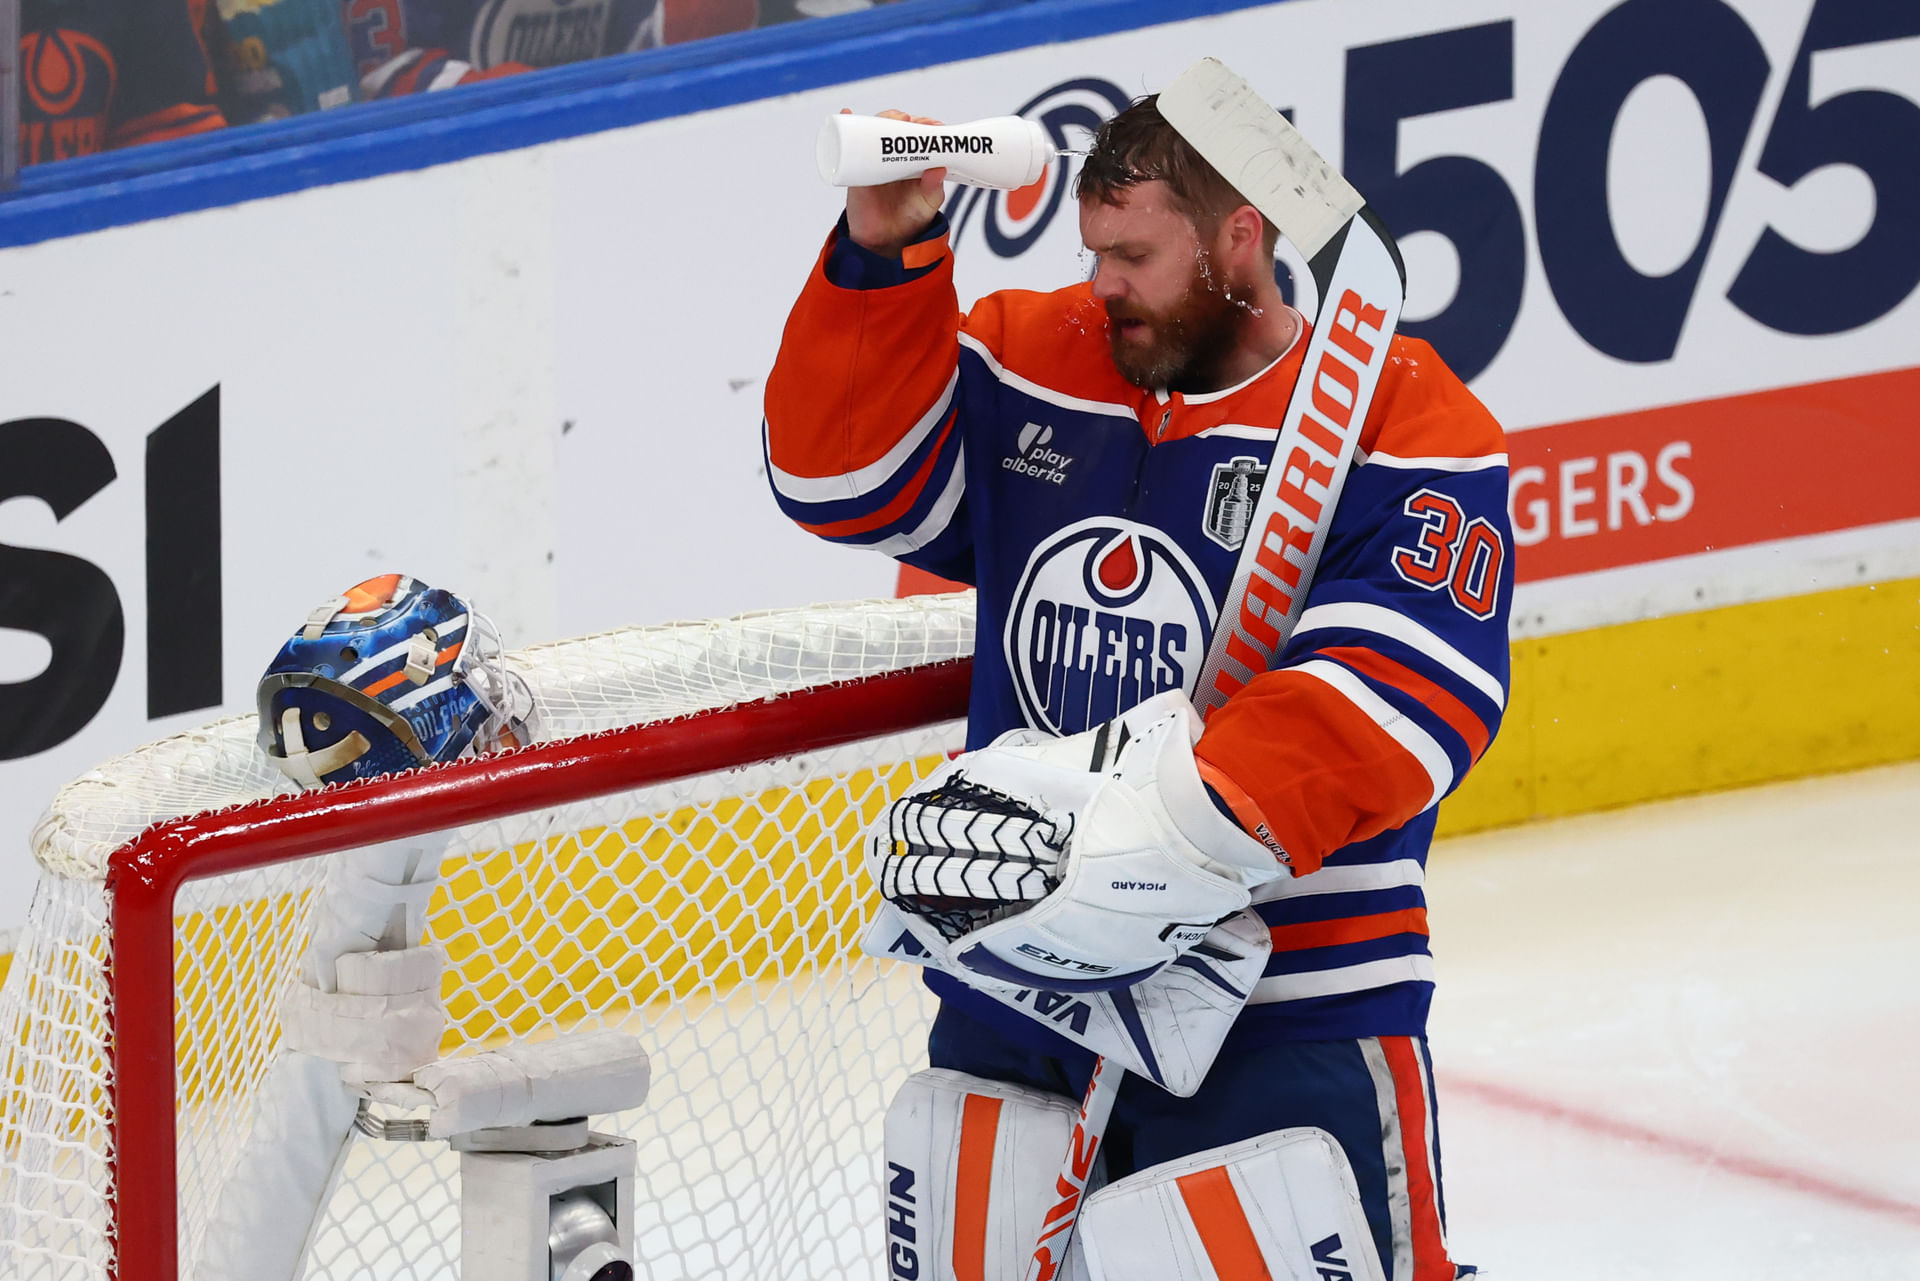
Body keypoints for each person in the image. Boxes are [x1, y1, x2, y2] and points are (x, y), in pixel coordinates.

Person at [765, 95, 1511, 1280]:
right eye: (1091, 252)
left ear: (1238, 240)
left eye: (1135, 255)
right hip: (1020, 989)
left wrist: (1151, 829)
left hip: (1284, 998)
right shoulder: (1033, 356)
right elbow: (843, 478)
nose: (1103, 284)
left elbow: (1411, 691)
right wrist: (886, 249)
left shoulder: (1400, 415)